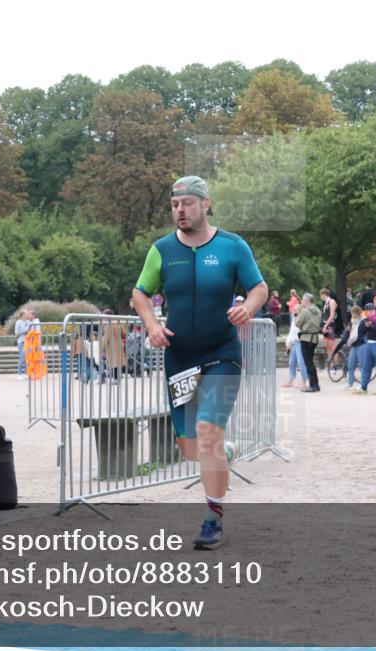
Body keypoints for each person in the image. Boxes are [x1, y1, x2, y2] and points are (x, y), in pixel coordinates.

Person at [132, 175, 267, 550]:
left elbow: (259, 287)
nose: (180, 211)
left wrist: (248, 307)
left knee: (207, 430)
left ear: (206, 204)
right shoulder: (161, 249)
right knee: (193, 448)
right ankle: (224, 453)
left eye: (188, 203)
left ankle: (213, 520)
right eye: (175, 205)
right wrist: (152, 325)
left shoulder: (232, 246)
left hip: (222, 353)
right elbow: (140, 293)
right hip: (180, 357)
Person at [295, 293, 322, 392]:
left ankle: (313, 386)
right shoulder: (318, 311)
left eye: (302, 300)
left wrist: (298, 313)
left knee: (308, 362)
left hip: (306, 338)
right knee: (311, 362)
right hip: (314, 338)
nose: (302, 301)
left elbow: (297, 323)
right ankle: (316, 384)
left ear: (307, 301)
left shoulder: (305, 311)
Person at [282, 304, 310, 389]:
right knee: (291, 362)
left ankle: (304, 381)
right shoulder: (294, 319)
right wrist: (288, 343)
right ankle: (291, 380)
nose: (294, 311)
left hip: (300, 342)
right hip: (294, 343)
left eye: (296, 309)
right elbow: (291, 332)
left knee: (301, 363)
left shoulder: (303, 320)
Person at [344, 305, 367, 388]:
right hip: (354, 345)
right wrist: (348, 330)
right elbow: (348, 331)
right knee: (350, 364)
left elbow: (363, 332)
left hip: (361, 344)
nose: (352, 315)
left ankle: (363, 384)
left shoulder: (364, 321)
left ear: (357, 313)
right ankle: (350, 383)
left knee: (362, 365)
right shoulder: (352, 321)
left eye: (353, 313)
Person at [319, 287, 344, 358]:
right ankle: (331, 362)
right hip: (325, 323)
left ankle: (335, 364)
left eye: (320, 295)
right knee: (327, 345)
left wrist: (326, 325)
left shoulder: (332, 301)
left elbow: (332, 315)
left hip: (330, 325)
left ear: (324, 294)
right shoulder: (326, 303)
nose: (320, 297)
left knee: (332, 344)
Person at [14, 309, 32, 377]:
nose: (27, 315)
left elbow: (31, 327)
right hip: (21, 342)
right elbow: (22, 330)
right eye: (26, 313)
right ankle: (19, 374)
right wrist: (27, 329)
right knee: (22, 357)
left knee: (27, 358)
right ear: (22, 315)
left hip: (27, 341)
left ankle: (26, 373)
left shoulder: (28, 321)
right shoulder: (18, 322)